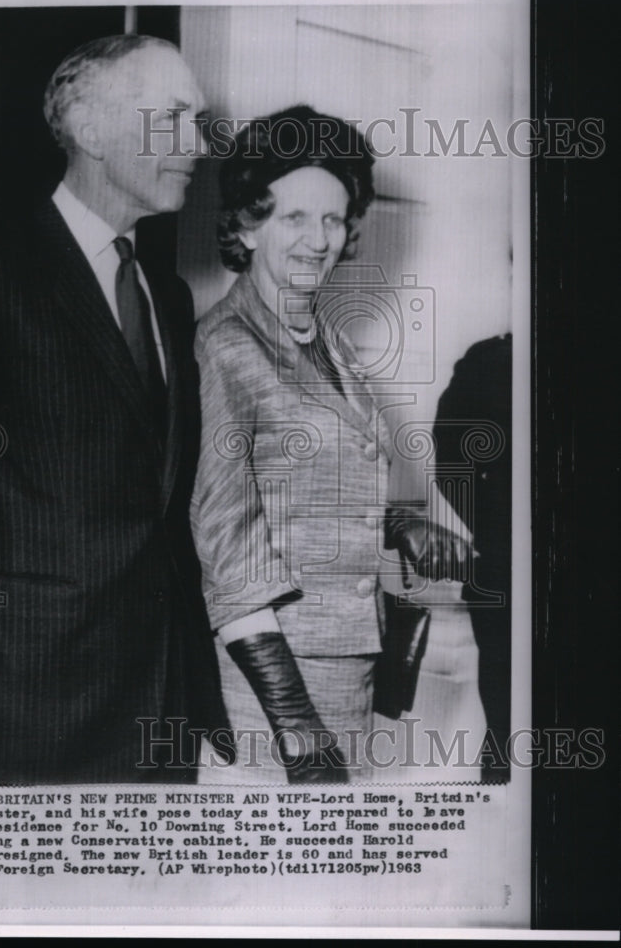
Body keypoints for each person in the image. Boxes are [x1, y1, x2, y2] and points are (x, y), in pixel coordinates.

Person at [0, 34, 231, 784]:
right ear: (92, 132)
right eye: (173, 117)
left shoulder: (168, 293)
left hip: (157, 696)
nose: (197, 143)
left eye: (199, 119)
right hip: (23, 697)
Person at [192, 106, 463, 782]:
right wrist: (294, 721)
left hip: (347, 655)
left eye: (333, 219)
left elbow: (306, 479)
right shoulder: (228, 344)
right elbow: (226, 537)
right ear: (246, 227)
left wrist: (400, 523)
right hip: (275, 674)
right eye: (294, 218)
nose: (319, 240)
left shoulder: (319, 336)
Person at [434, 334, 512, 781]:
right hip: (507, 573)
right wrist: (497, 532)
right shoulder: (494, 360)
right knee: (512, 726)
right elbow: (451, 459)